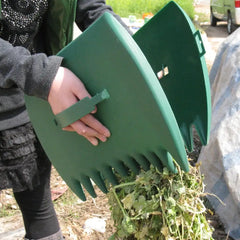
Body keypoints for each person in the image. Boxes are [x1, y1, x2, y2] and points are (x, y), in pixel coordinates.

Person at [0, 0, 131, 239]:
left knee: (39, 208)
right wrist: (42, 76)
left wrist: (131, 50)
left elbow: (91, 8)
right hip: (31, 76)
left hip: (27, 93)